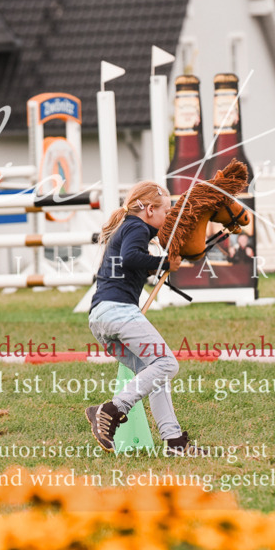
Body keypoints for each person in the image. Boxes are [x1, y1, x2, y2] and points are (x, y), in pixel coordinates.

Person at [85, 181, 208, 456]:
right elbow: (131, 258)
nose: (168, 217)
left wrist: (157, 266)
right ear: (150, 210)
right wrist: (163, 263)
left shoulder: (128, 228)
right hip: (119, 312)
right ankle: (111, 410)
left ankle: (174, 442)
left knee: (155, 374)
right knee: (166, 363)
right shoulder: (137, 226)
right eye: (166, 211)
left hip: (101, 317)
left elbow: (130, 262)